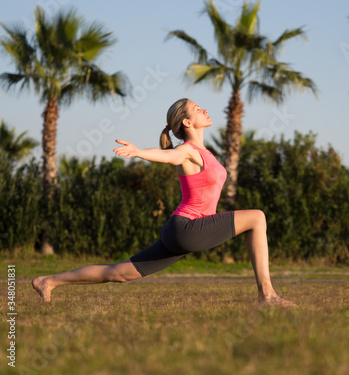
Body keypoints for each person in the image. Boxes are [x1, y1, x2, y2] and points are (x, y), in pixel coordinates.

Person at [32, 98, 295, 307]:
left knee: (118, 273)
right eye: (197, 108)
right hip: (187, 228)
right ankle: (267, 296)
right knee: (257, 217)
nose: (204, 109)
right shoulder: (187, 151)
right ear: (187, 123)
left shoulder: (204, 152)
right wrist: (138, 152)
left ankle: (48, 281)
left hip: (179, 230)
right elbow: (168, 156)